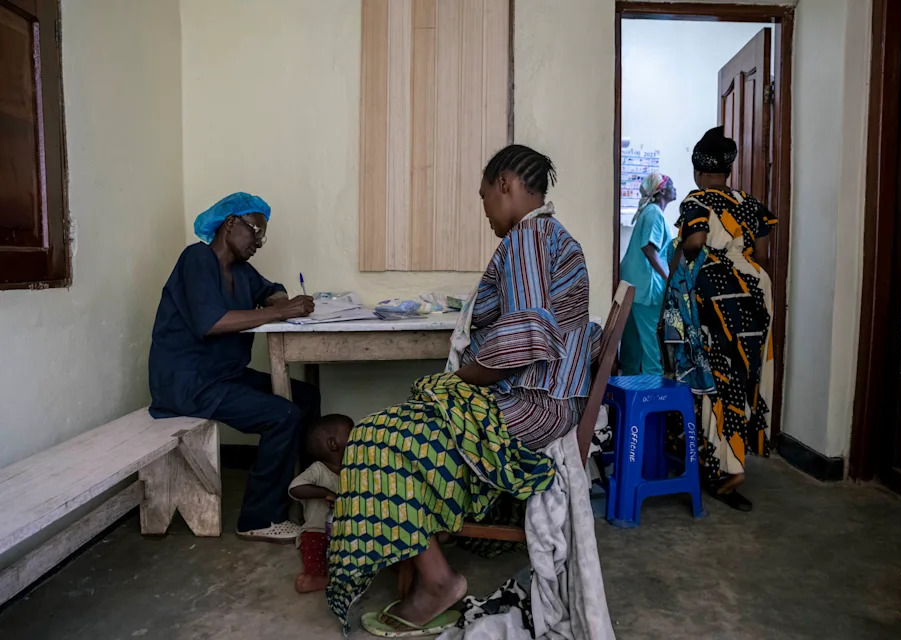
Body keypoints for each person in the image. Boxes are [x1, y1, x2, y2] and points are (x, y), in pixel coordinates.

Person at [327, 144, 600, 635]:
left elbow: (526, 335)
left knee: (373, 438)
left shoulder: (527, 239)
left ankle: (438, 583)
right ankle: (430, 544)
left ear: (505, 186)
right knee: (413, 412)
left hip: (531, 408)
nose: (484, 211)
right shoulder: (551, 236)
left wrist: (462, 378)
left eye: (483, 198)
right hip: (550, 402)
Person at [148, 192, 320, 542]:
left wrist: (279, 300)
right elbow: (211, 322)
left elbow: (272, 289)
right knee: (282, 415)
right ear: (230, 223)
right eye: (255, 230)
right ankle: (259, 518)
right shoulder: (196, 259)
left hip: (225, 375)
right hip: (189, 382)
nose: (258, 241)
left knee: (305, 395)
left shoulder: (240, 270)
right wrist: (279, 312)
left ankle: (299, 488)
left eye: (262, 236)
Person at [674, 127, 777, 512]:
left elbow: (696, 242)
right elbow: (762, 254)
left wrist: (682, 251)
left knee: (717, 380)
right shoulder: (750, 202)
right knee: (747, 374)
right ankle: (732, 459)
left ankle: (727, 469)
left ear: (699, 171)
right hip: (757, 294)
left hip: (718, 298)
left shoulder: (697, 200)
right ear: (729, 171)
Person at [288, 413, 354, 593]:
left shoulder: (354, 469)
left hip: (347, 529)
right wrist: (325, 493)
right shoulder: (318, 470)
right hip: (318, 528)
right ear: (333, 444)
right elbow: (295, 488)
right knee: (313, 545)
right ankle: (315, 576)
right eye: (352, 434)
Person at [619, 172, 676, 375]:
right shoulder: (654, 213)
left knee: (632, 350)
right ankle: (652, 399)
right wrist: (668, 279)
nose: (674, 188)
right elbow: (649, 249)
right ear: (661, 191)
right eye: (671, 184)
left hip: (632, 287)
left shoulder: (649, 212)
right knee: (652, 348)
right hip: (645, 289)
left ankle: (629, 399)